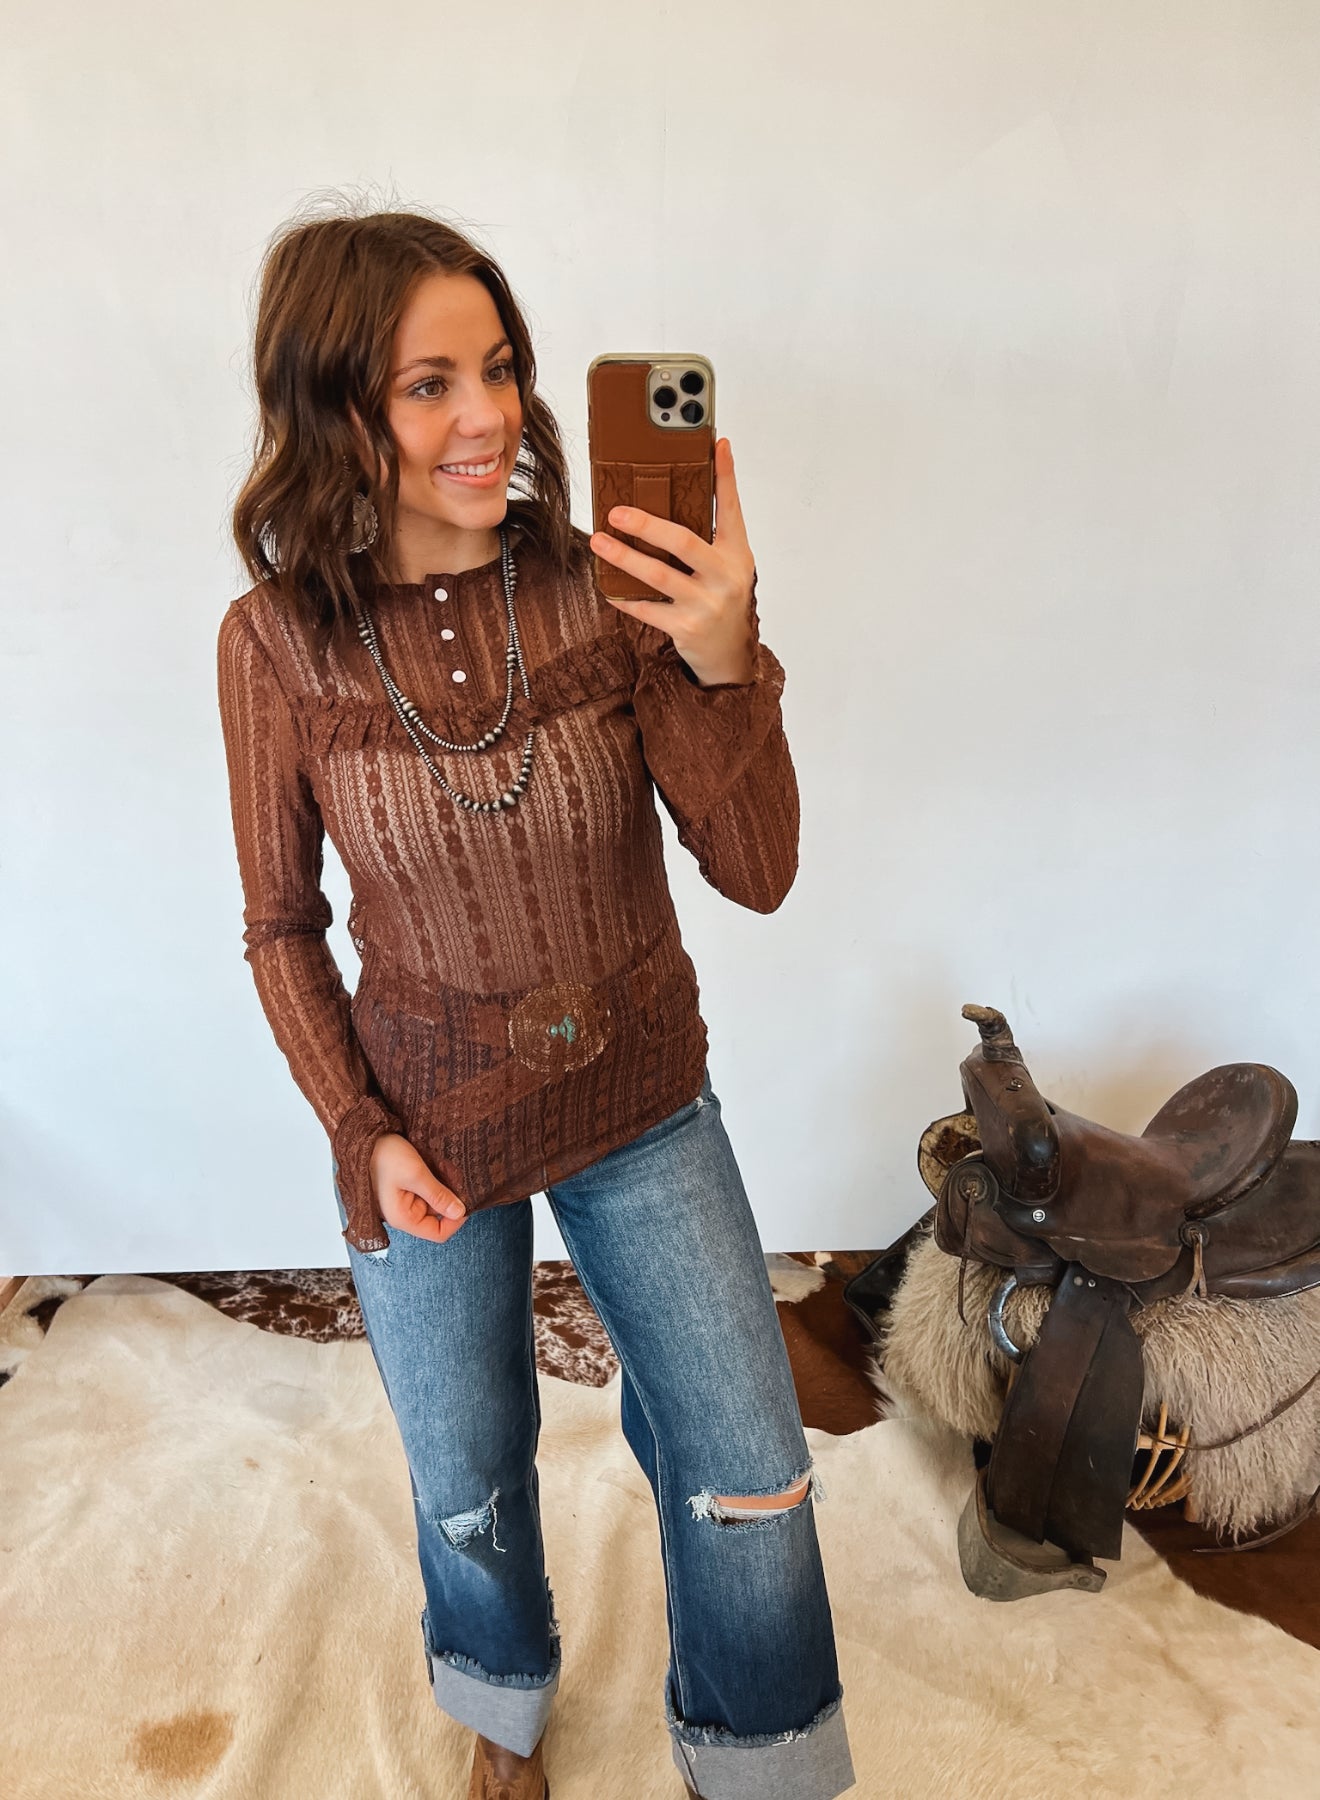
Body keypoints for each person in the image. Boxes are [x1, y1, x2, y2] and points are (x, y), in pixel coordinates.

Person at [216, 204, 855, 1800]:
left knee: (751, 1471)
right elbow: (282, 928)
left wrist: (723, 654)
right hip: (423, 1125)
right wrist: (359, 1132)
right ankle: (501, 1709)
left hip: (643, 1097)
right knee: (467, 1480)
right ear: (333, 410)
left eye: (498, 368)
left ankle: (758, 1760)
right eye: (428, 384)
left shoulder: (607, 588)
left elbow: (760, 870)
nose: (488, 415)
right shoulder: (274, 644)